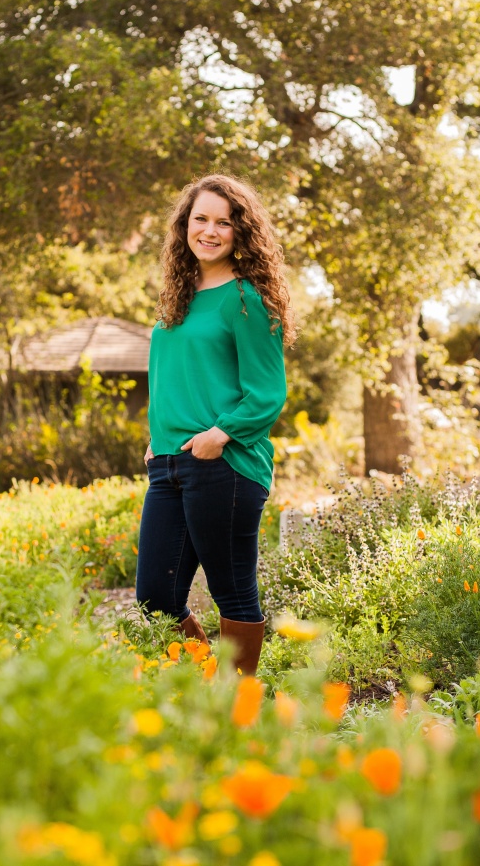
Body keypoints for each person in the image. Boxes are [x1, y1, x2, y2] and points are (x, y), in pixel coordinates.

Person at [135, 173, 296, 676]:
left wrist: (218, 435)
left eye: (223, 222)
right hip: (169, 462)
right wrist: (157, 438)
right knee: (155, 598)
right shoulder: (177, 298)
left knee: (232, 594)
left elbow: (268, 392)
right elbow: (177, 377)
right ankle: (209, 684)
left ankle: (239, 707)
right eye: (200, 219)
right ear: (184, 224)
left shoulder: (247, 298)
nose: (209, 230)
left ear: (240, 232)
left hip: (223, 462)